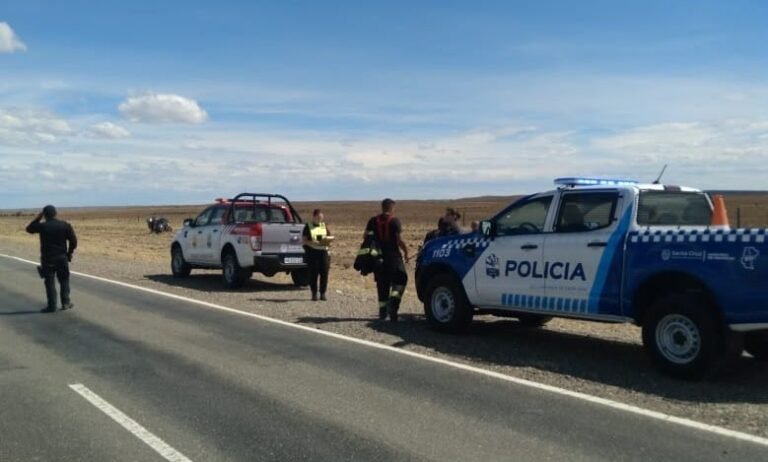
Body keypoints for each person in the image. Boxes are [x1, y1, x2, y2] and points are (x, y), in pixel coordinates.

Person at [26, 205, 78, 313]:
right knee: (64, 280)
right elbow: (73, 241)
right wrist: (69, 252)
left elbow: (29, 229)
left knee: (49, 282)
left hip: (48, 259)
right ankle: (66, 303)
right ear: (56, 213)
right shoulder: (65, 225)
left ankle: (52, 306)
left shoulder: (43, 226)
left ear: (45, 215)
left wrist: (38, 217)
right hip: (61, 257)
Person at [365, 198, 409, 322]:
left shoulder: (373, 221)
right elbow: (399, 240)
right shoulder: (395, 221)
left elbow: (366, 237)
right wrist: (406, 252)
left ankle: (382, 313)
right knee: (400, 281)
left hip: (378, 258)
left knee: (382, 285)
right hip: (393, 257)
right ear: (391, 207)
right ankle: (393, 308)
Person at [302, 209, 332, 301]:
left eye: (321, 218)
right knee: (313, 274)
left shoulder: (324, 226)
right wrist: (312, 242)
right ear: (314, 216)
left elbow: (329, 237)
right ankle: (314, 293)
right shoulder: (308, 226)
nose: (320, 219)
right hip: (313, 253)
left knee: (324, 273)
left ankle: (323, 293)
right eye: (318, 217)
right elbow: (304, 240)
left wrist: (328, 241)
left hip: (323, 252)